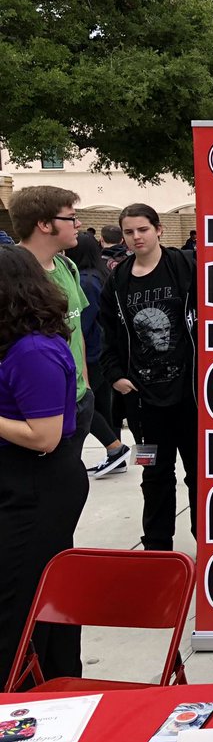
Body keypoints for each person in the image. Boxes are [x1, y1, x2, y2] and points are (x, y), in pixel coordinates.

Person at [0, 245, 87, 686]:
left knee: (19, 600)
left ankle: (31, 688)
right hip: (22, 484)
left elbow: (44, 436)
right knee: (40, 596)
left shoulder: (33, 351)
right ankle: (53, 682)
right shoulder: (15, 345)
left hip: (38, 487)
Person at [99, 204, 199, 551]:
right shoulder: (118, 280)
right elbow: (106, 333)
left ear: (158, 230)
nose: (136, 237)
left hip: (189, 397)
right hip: (143, 404)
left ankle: (208, 540)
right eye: (129, 232)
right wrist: (115, 375)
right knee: (153, 474)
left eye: (142, 229)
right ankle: (157, 546)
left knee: (198, 474)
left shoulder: (185, 267)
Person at [10, 186, 95, 484]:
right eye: (71, 217)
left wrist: (84, 382)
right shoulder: (10, 276)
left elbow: (77, 328)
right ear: (45, 225)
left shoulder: (67, 265)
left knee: (65, 492)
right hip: (34, 412)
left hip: (79, 400)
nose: (79, 224)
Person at [64, 233, 130, 476]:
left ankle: (115, 449)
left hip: (91, 354)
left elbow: (83, 322)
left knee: (85, 406)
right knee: (102, 405)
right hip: (99, 351)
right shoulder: (100, 274)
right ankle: (115, 454)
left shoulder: (85, 280)